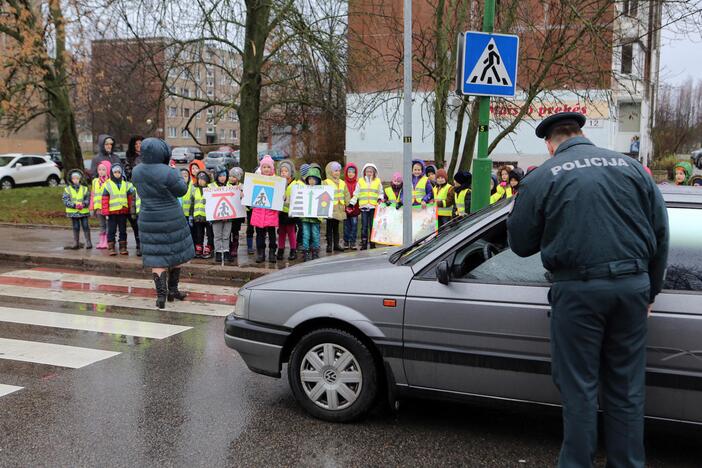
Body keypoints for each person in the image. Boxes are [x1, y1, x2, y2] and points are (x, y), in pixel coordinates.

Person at [507, 112, 669, 468]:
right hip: (632, 288)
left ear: (550, 144)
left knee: (579, 388)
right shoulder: (632, 168)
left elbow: (519, 244)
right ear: (581, 134)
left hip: (578, 291)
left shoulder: (544, 176)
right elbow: (660, 233)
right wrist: (650, 293)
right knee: (626, 388)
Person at [131, 138, 195, 309]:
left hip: (148, 218)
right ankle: (173, 290)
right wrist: (176, 174)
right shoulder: (169, 172)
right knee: (176, 253)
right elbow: (181, 191)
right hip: (171, 217)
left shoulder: (136, 171)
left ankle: (161, 296)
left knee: (156, 258)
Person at [101, 163, 135, 256]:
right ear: (112, 173)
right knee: (112, 230)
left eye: (119, 172)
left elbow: (130, 198)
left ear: (122, 173)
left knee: (123, 230)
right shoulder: (108, 185)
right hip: (112, 212)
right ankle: (111, 247)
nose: (117, 174)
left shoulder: (126, 184)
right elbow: (104, 199)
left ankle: (123, 247)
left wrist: (130, 210)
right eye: (115, 172)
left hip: (123, 212)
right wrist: (105, 212)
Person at [251, 156, 279, 263]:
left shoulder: (277, 181)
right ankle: (260, 253)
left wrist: (282, 197)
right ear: (261, 169)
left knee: (272, 235)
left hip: (271, 213)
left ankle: (272, 253)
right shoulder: (256, 180)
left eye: (268, 167)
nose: (266, 169)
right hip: (258, 213)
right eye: (264, 167)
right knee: (259, 235)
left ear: (272, 168)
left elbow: (280, 195)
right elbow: (250, 194)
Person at [351, 163, 383, 250]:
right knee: (364, 225)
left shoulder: (377, 181)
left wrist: (380, 199)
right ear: (364, 172)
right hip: (364, 207)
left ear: (374, 172)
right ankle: (364, 243)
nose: (369, 173)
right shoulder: (360, 181)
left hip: (373, 207)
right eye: (367, 171)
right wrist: (351, 203)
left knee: (372, 225)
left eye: (371, 171)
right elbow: (356, 194)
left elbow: (380, 193)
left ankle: (372, 242)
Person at [277, 160, 301, 261]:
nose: (283, 173)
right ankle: (280, 250)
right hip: (281, 213)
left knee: (291, 232)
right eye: (282, 171)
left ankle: (293, 250)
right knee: (281, 232)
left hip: (291, 213)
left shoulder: (295, 184)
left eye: (286, 171)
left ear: (290, 173)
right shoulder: (278, 183)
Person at [62, 169, 92, 250]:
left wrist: (84, 204)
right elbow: (65, 200)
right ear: (71, 179)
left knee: (85, 226)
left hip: (83, 211)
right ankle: (76, 242)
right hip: (73, 212)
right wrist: (74, 205)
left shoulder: (84, 189)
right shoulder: (67, 189)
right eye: (74, 178)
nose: (75, 180)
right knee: (76, 227)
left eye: (77, 178)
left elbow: (88, 199)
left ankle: (88, 242)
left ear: (80, 179)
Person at [209, 166, 233, 263]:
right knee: (217, 235)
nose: (222, 177)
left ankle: (226, 251)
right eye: (220, 175)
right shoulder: (211, 187)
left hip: (228, 216)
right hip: (216, 216)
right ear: (216, 176)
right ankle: (218, 252)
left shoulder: (230, 186)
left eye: (224, 175)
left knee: (226, 235)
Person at [300, 167, 323, 261]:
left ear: (317, 180)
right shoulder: (303, 189)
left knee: (315, 234)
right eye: (309, 179)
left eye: (314, 179)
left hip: (316, 217)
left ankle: (315, 251)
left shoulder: (321, 190)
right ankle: (305, 251)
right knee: (305, 234)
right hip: (305, 217)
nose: (311, 181)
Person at [324, 161, 347, 253]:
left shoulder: (342, 183)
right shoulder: (326, 182)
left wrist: (348, 203)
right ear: (330, 172)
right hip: (330, 209)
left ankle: (336, 244)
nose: (337, 172)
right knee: (329, 228)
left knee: (336, 228)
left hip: (339, 209)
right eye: (335, 170)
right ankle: (329, 245)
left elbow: (346, 194)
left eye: (338, 170)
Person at [190, 171, 214, 259]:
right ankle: (199, 247)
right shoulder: (195, 189)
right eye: (199, 179)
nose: (201, 181)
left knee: (209, 234)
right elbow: (192, 203)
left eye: (203, 179)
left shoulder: (210, 188)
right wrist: (190, 215)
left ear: (207, 180)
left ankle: (209, 247)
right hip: (197, 216)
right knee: (199, 234)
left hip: (208, 217)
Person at [90, 160, 111, 249]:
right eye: (99, 169)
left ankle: (107, 241)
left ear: (108, 170)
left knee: (108, 225)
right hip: (98, 208)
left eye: (103, 169)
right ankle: (101, 241)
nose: (101, 171)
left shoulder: (110, 182)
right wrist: (91, 208)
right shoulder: (95, 181)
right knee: (102, 225)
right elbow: (92, 195)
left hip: (107, 209)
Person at [343, 163, 360, 250]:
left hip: (355, 209)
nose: (350, 174)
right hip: (345, 209)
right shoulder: (343, 183)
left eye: (353, 172)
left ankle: (353, 242)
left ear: (355, 173)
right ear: (346, 172)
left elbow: (358, 195)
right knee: (346, 226)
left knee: (354, 226)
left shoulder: (358, 183)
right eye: (349, 172)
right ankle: (346, 241)